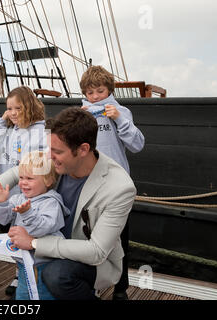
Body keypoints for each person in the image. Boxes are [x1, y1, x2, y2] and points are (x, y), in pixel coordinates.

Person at [0, 107, 136, 300]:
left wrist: (35, 242)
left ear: (83, 149)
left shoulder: (119, 187)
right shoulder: (56, 158)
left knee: (56, 276)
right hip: (46, 249)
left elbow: (96, 251)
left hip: (89, 260)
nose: (48, 156)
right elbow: (15, 173)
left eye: (56, 151)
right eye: (49, 149)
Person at [80, 65, 145, 299]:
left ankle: (120, 288)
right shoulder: (82, 114)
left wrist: (119, 119)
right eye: (90, 92)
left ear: (109, 90)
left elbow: (137, 145)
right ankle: (93, 286)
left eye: (99, 91)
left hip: (116, 186)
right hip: (89, 184)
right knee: (89, 236)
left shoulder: (121, 112)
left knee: (120, 238)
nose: (95, 97)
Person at [0, 151, 69, 300]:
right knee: (23, 297)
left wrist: (27, 213)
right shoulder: (18, 198)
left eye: (30, 178)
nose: (23, 182)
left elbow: (42, 229)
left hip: (44, 266)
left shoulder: (51, 203)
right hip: (23, 266)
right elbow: (3, 219)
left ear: (47, 180)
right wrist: (1, 203)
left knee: (42, 297)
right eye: (21, 178)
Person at [0, 86, 47, 295]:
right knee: (13, 233)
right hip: (10, 193)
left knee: (29, 233)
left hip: (28, 193)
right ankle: (19, 273)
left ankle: (34, 276)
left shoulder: (40, 132)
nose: (13, 113)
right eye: (9, 109)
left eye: (18, 108)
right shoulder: (10, 129)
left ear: (29, 106)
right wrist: (0, 122)